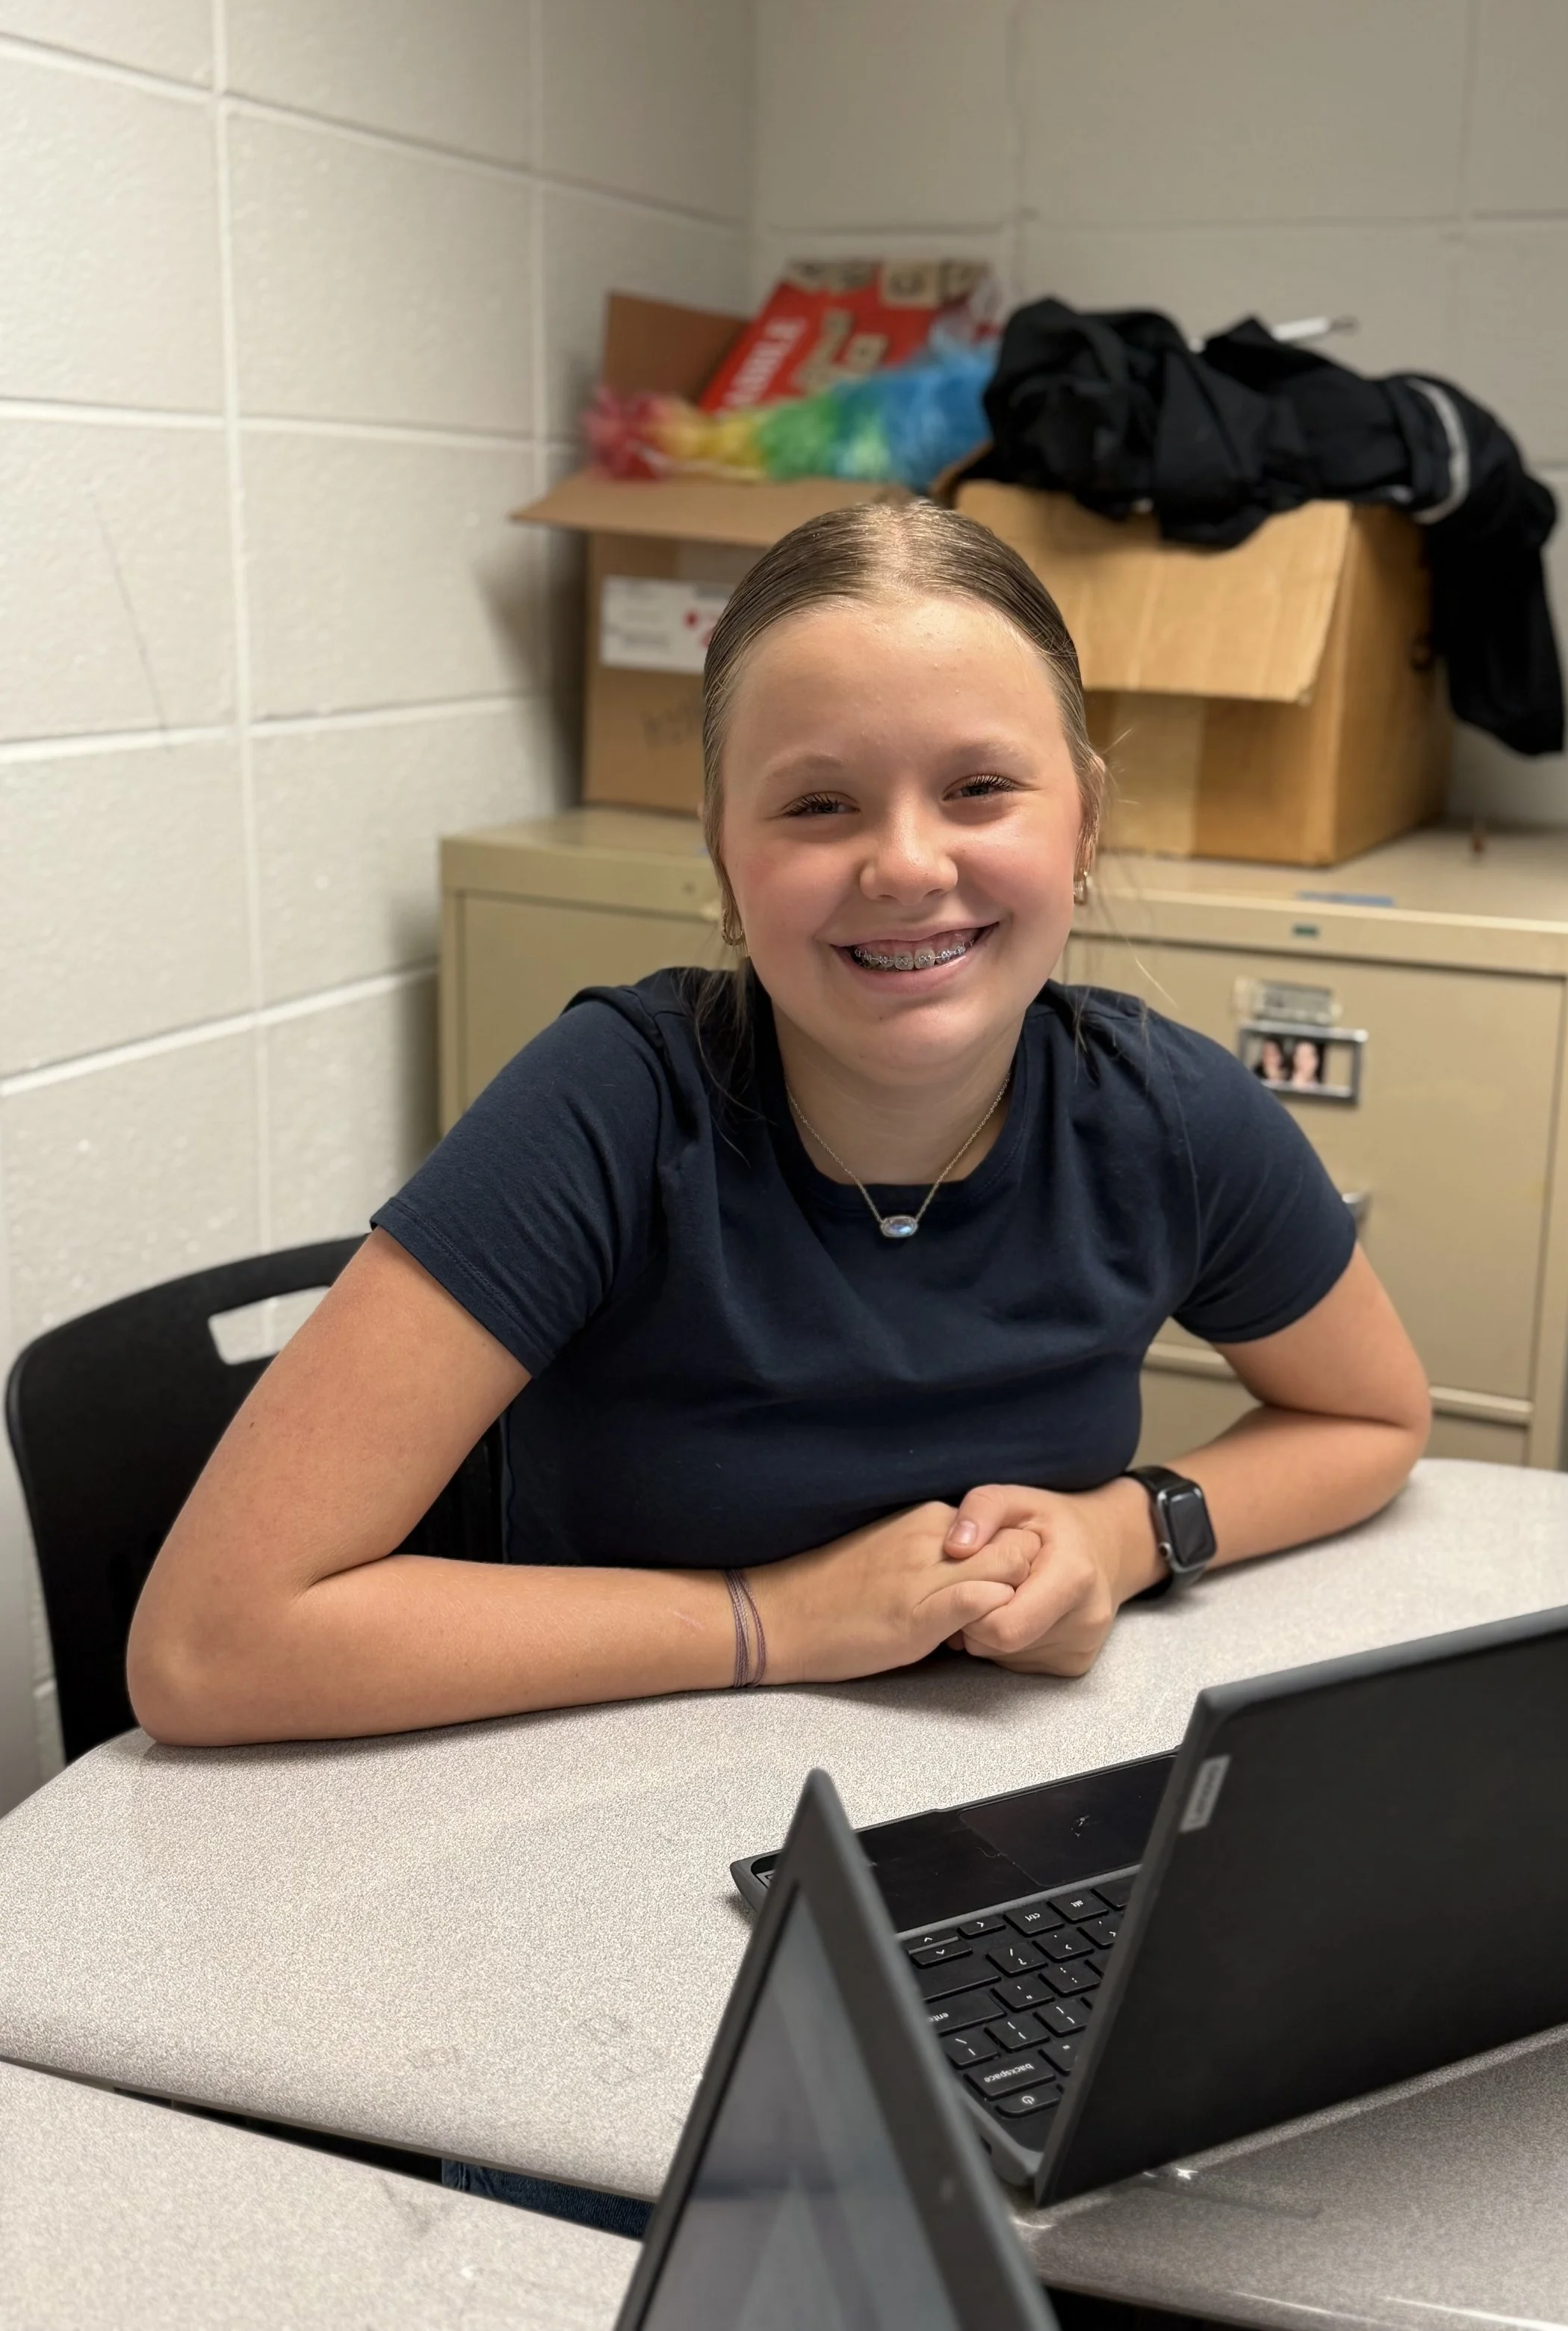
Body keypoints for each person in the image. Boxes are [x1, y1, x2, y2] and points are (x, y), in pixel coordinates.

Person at [129, 501, 1430, 1748]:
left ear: (1083, 817)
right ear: (722, 848)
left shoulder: (1167, 1114)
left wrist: (1128, 1533)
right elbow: (208, 1647)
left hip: (973, 1805)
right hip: (581, 1813)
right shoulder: (614, 1104)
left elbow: (1373, 1422)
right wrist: (770, 1622)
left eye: (980, 786)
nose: (909, 866)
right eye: (819, 804)